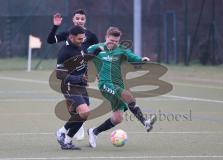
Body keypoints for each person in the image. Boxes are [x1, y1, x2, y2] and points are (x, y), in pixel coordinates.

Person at [87, 26, 157, 148]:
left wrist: (142, 60)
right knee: (127, 95)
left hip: (118, 84)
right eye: (111, 40)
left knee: (117, 118)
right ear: (106, 37)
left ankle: (94, 132)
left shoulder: (121, 50)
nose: (113, 43)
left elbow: (133, 57)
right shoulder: (96, 48)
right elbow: (85, 58)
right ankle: (145, 122)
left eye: (116, 41)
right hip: (105, 84)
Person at [47, 9, 98, 140]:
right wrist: (55, 26)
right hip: (70, 77)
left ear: (85, 20)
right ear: (73, 20)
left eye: (82, 18)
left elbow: (89, 57)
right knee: (78, 109)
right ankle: (66, 131)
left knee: (82, 110)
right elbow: (50, 40)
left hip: (82, 74)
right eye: (77, 18)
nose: (80, 20)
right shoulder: (69, 36)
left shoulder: (91, 36)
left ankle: (68, 135)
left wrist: (94, 69)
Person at [55, 26, 90, 150]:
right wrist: (77, 79)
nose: (82, 40)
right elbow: (59, 74)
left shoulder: (79, 47)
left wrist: (85, 76)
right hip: (70, 86)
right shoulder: (64, 51)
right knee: (84, 111)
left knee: (84, 115)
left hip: (81, 86)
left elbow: (81, 64)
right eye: (79, 38)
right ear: (71, 37)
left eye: (83, 38)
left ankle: (68, 141)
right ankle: (61, 132)